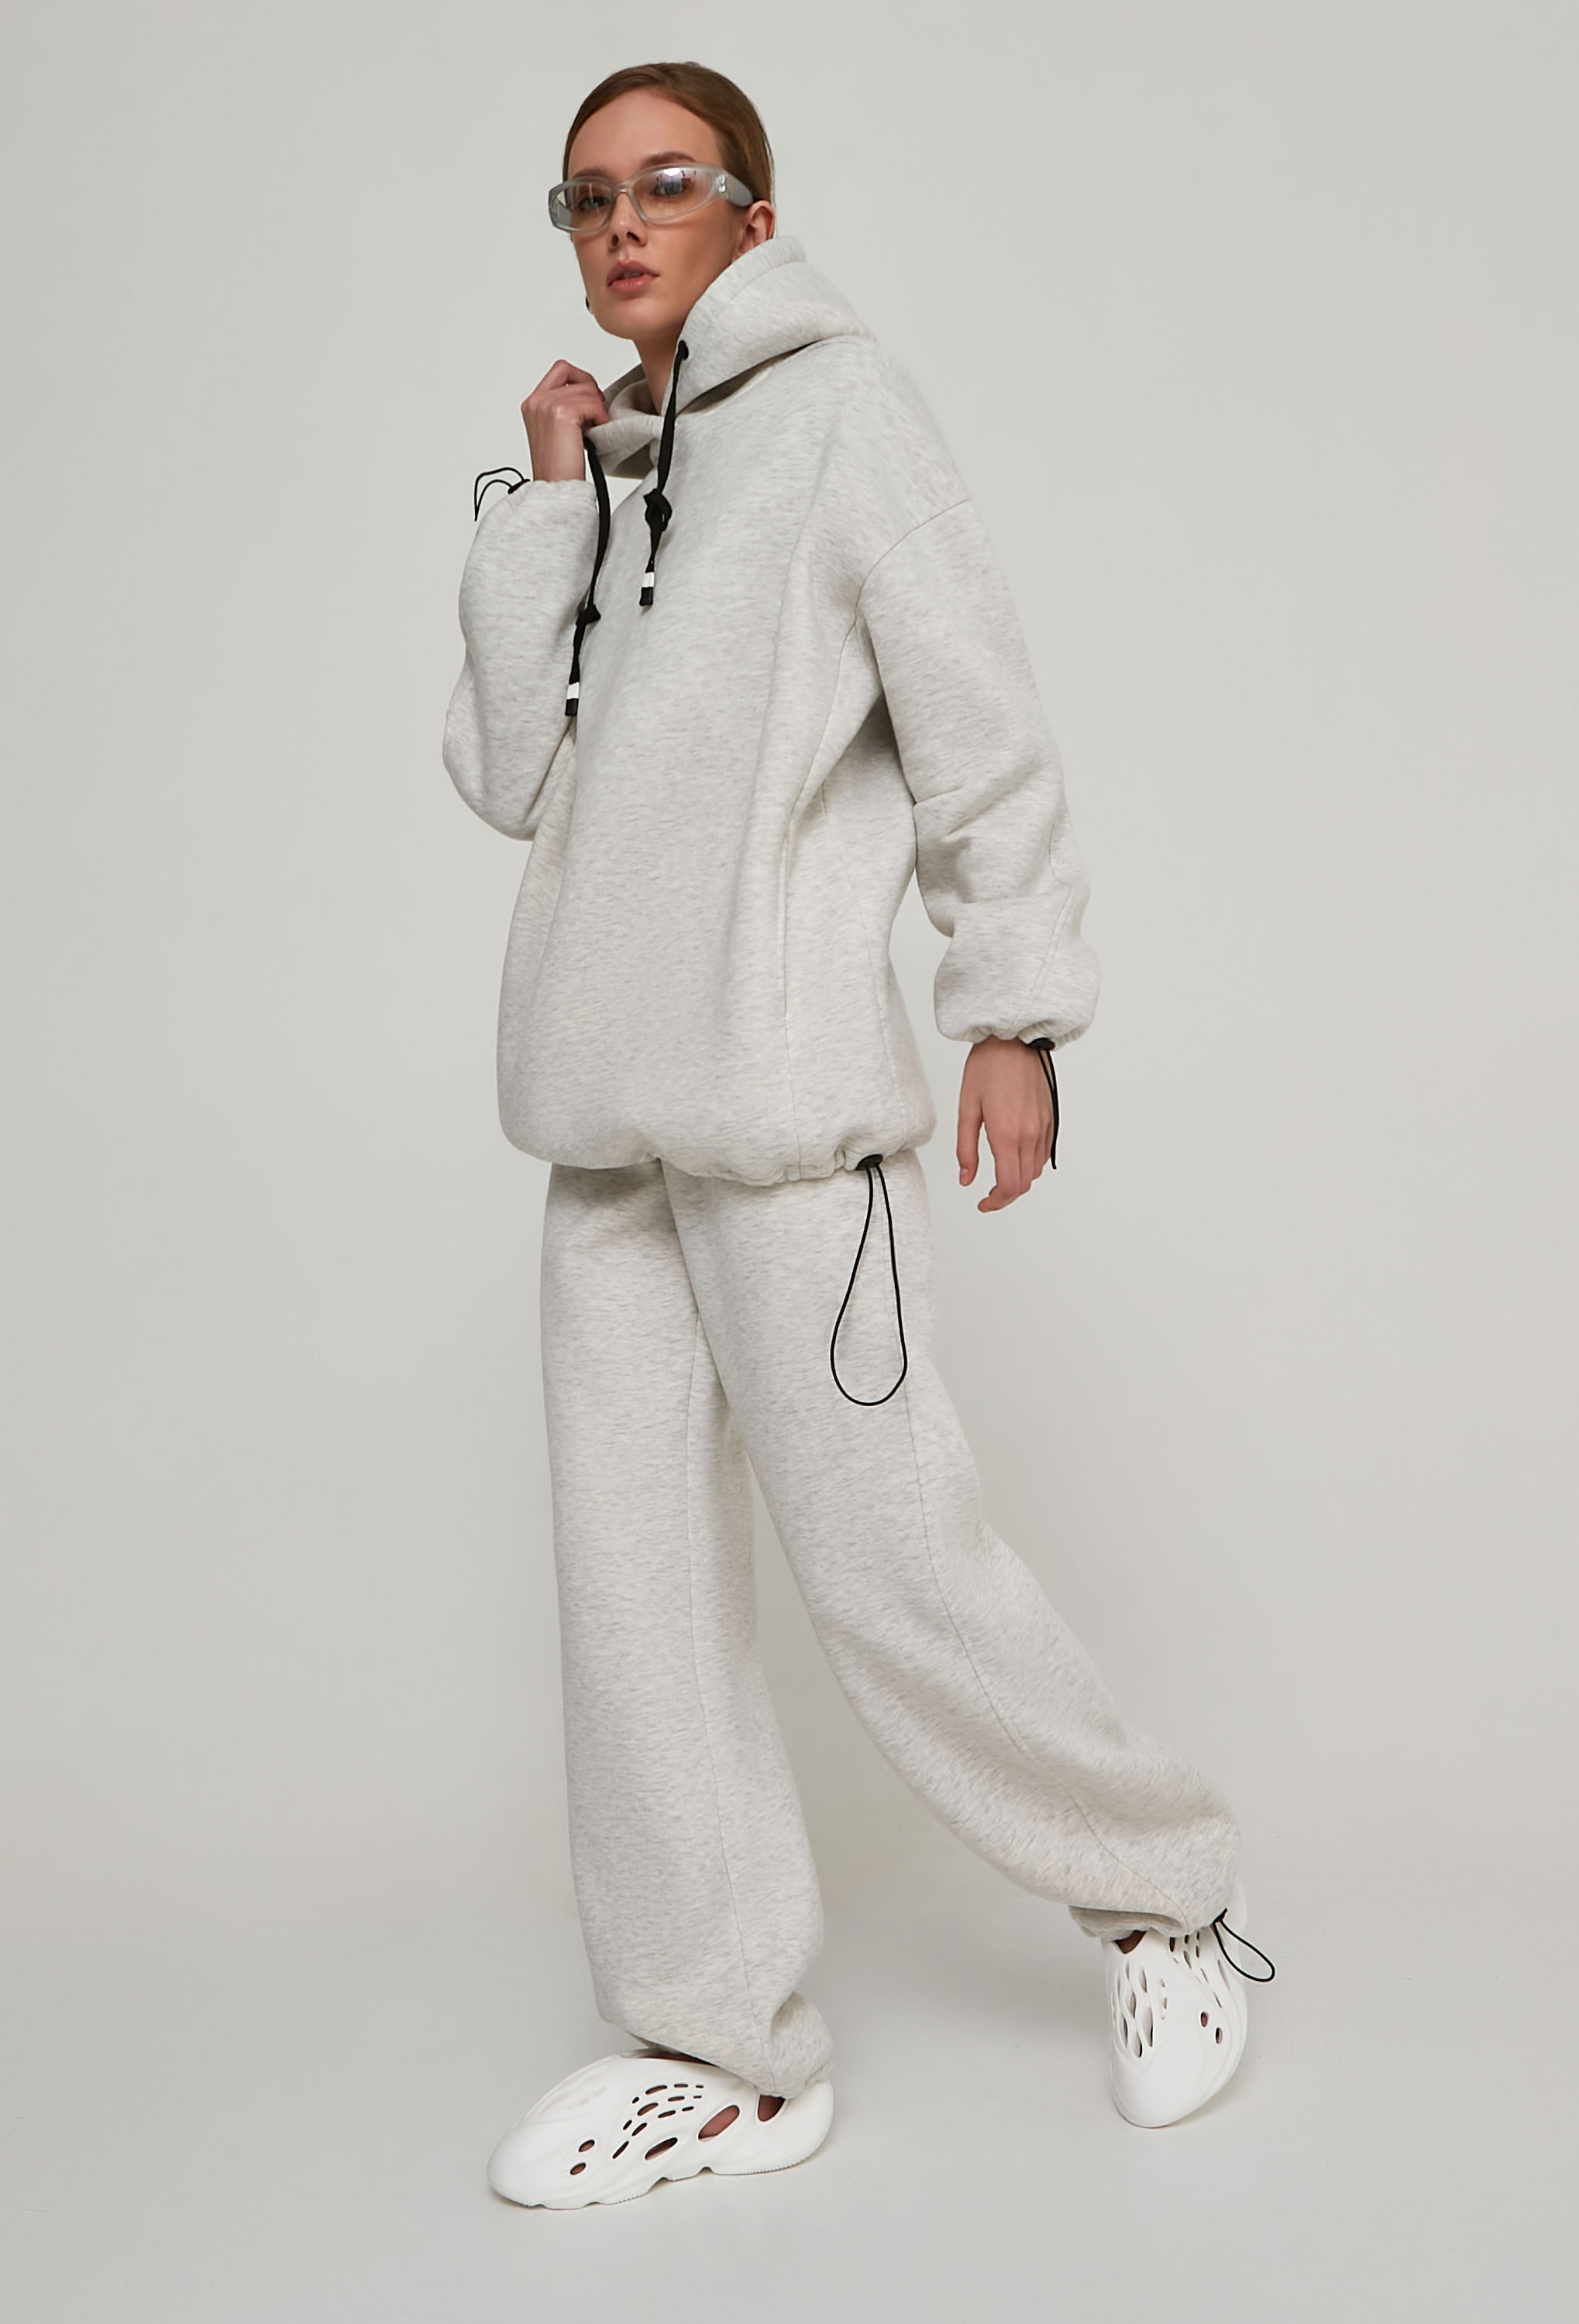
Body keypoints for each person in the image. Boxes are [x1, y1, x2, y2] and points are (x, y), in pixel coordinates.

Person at [443, 60, 1274, 2212]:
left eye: (664, 185)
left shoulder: (844, 418)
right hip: (606, 1134)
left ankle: (1167, 1901)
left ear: (753, 209)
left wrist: (1014, 1014)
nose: (620, 226)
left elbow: (982, 728)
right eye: (584, 198)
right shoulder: (613, 474)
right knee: (633, 1618)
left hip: (792, 1124)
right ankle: (718, 2047)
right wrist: (543, 501)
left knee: (898, 1577)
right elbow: (504, 778)